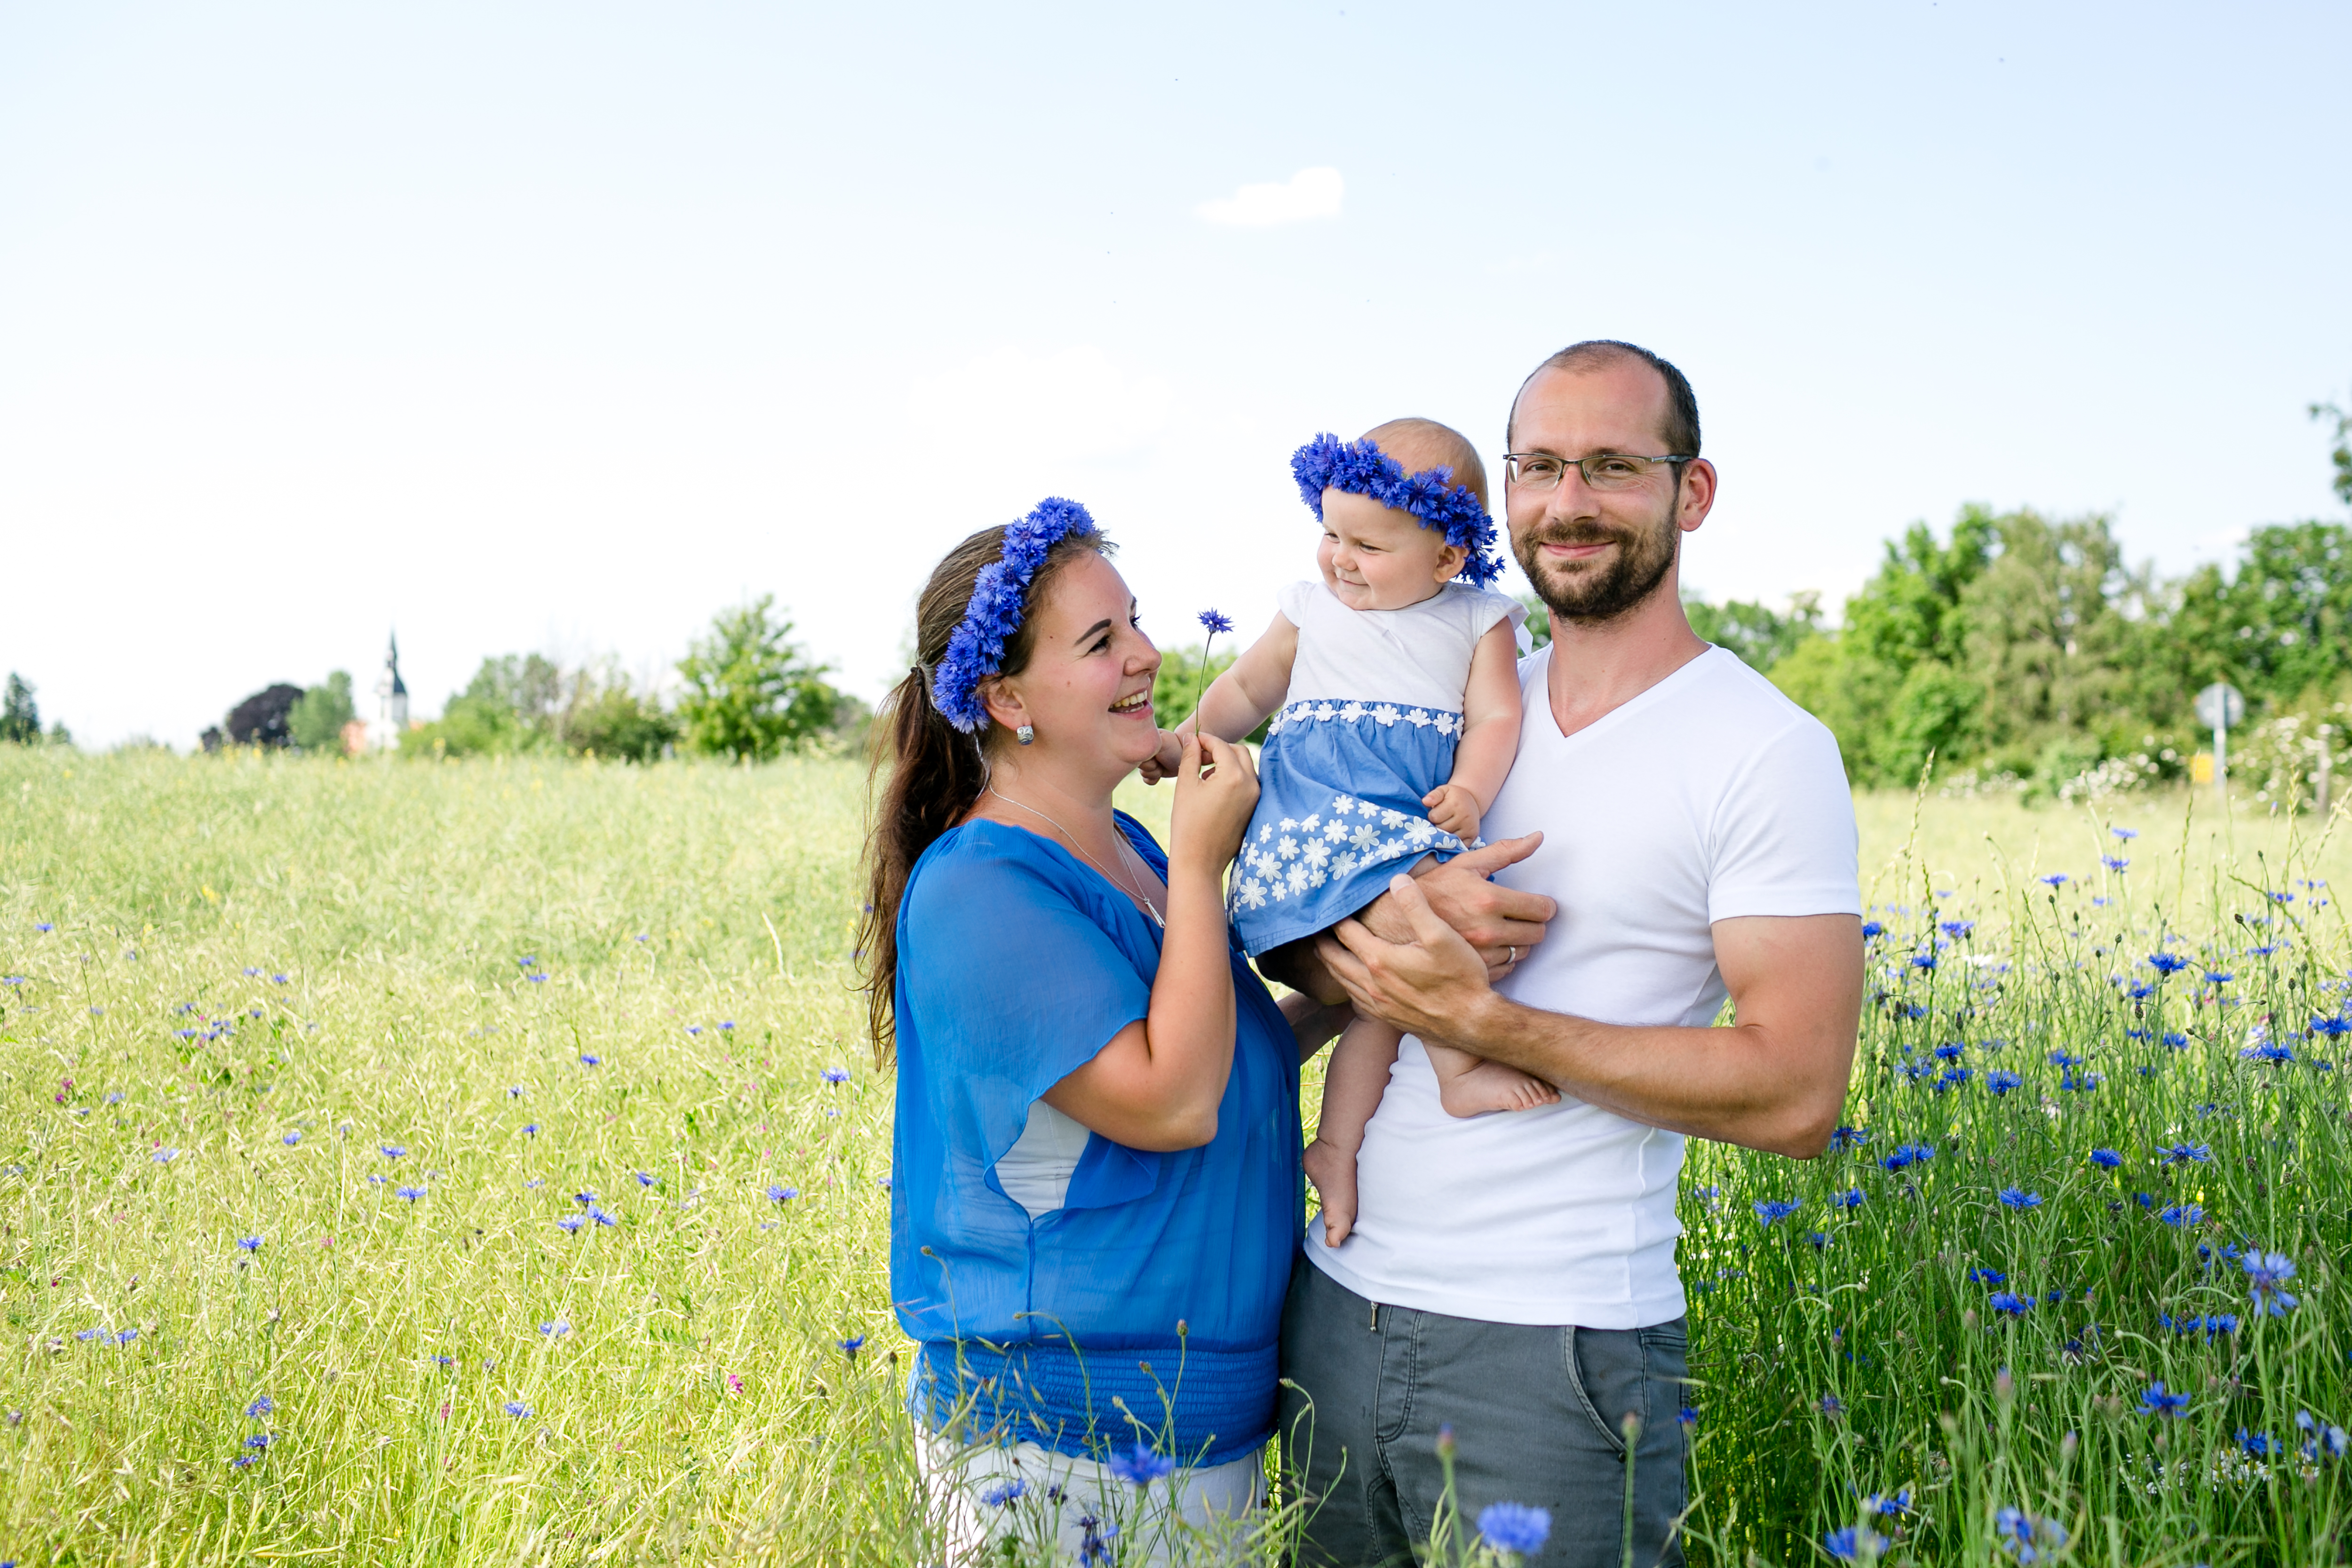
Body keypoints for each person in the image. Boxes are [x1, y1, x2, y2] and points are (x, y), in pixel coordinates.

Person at [1274, 342, 1866, 1568]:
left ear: (1690, 492)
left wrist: (1492, 1027)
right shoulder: (1453, 699)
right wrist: (1372, 944)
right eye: (1539, 466)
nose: (1568, 500)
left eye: (1610, 466)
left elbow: (1798, 1091)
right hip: (1331, 1300)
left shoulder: (1763, 746)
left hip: (1551, 1346)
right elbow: (1347, 966)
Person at [859, 499, 1343, 1564]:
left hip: (1198, 1419)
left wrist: (1375, 986)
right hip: (1056, 1438)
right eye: (1100, 640)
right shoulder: (981, 886)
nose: (1149, 655)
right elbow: (1172, 1099)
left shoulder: (1125, 850)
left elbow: (1221, 1050)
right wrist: (1204, 861)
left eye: (1135, 622)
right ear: (1006, 699)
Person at [1147, 418, 1554, 1248]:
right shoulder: (1311, 608)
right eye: (1330, 533)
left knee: (1390, 993)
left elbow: (1496, 716)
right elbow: (1249, 685)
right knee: (1406, 958)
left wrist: (1472, 790)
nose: (1339, 558)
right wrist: (1182, 738)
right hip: (1307, 835)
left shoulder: (1479, 618)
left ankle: (1337, 1146)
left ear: (1446, 557)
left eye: (1368, 545)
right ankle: (1459, 1069)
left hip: (1395, 839)